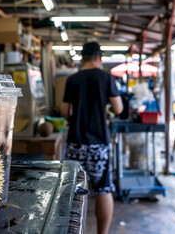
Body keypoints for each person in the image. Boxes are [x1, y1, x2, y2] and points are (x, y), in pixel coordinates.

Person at [61, 42, 123, 234]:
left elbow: (64, 112)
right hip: (98, 144)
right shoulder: (106, 78)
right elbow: (118, 108)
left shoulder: (72, 79)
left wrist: (77, 118)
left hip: (75, 142)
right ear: (99, 58)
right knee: (103, 189)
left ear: (82, 58)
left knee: (73, 189)